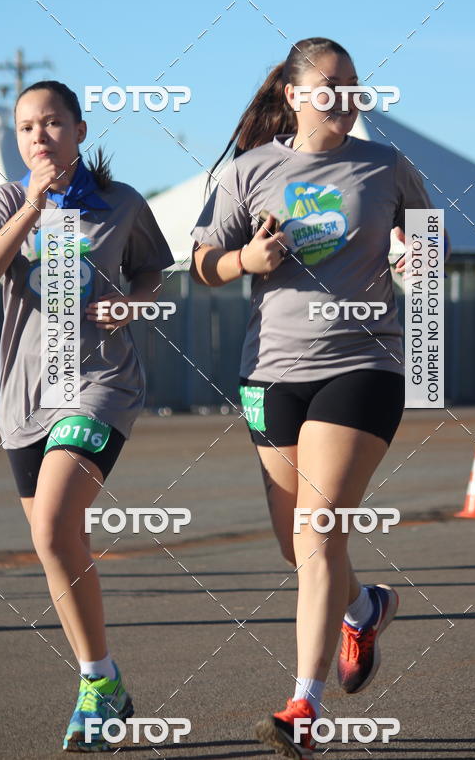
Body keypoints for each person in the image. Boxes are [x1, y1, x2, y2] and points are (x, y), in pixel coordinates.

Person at [190, 37, 450, 758]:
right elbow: (202, 261)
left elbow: (433, 246)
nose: (345, 96)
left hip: (363, 364)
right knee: (297, 545)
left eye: (354, 84)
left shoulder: (386, 165)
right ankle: (365, 607)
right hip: (270, 373)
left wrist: (416, 254)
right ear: (297, 95)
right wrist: (248, 258)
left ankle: (304, 708)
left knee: (317, 526)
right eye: (330, 85)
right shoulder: (251, 170)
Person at [0, 80, 174, 752]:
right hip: (26, 400)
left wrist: (132, 302)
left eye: (51, 123)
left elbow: (151, 272)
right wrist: (28, 211)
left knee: (52, 527)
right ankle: (105, 680)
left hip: (99, 384)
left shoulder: (121, 204)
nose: (39, 137)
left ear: (79, 130)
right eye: (26, 127)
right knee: (58, 549)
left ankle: (94, 684)